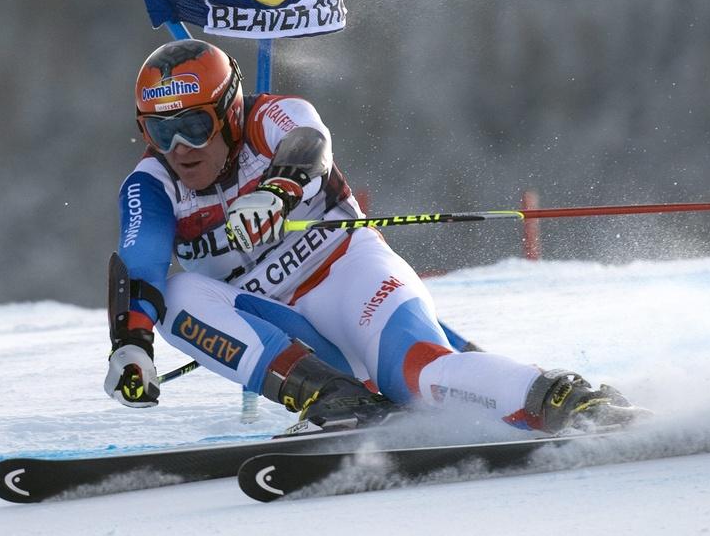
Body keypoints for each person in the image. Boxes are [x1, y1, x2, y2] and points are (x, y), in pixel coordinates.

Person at [105, 38, 638, 433]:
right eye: (159, 129)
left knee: (417, 375)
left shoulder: (271, 117)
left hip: (350, 275)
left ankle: (563, 400)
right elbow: (141, 258)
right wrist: (131, 345)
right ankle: (336, 400)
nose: (179, 147)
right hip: (292, 331)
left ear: (230, 112)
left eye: (194, 126)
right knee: (173, 298)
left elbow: (310, 142)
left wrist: (277, 192)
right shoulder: (152, 183)